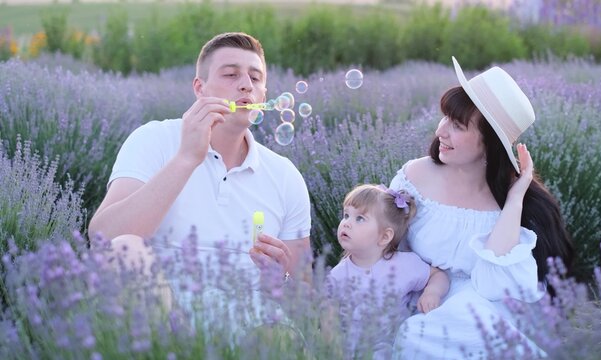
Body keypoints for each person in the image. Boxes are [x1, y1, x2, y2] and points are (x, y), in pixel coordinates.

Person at [87, 32, 312, 319]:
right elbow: (105, 238)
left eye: (255, 78)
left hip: (250, 326)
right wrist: (187, 158)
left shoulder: (284, 175)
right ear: (199, 88)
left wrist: (282, 279)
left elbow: (306, 289)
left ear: (264, 97)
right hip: (161, 323)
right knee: (124, 248)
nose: (245, 85)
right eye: (231, 74)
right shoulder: (154, 140)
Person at [390, 57, 574, 358]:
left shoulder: (508, 202)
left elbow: (493, 286)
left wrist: (516, 199)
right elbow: (388, 244)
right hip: (421, 296)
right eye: (445, 117)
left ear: (488, 144)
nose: (441, 132)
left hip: (482, 310)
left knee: (464, 320)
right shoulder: (415, 175)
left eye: (458, 125)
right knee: (416, 334)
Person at [325, 184, 450, 359]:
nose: (346, 223)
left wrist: (432, 292)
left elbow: (437, 275)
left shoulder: (404, 265)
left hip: (393, 345)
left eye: (359, 218)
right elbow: (328, 315)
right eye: (346, 215)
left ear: (384, 237)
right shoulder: (338, 275)